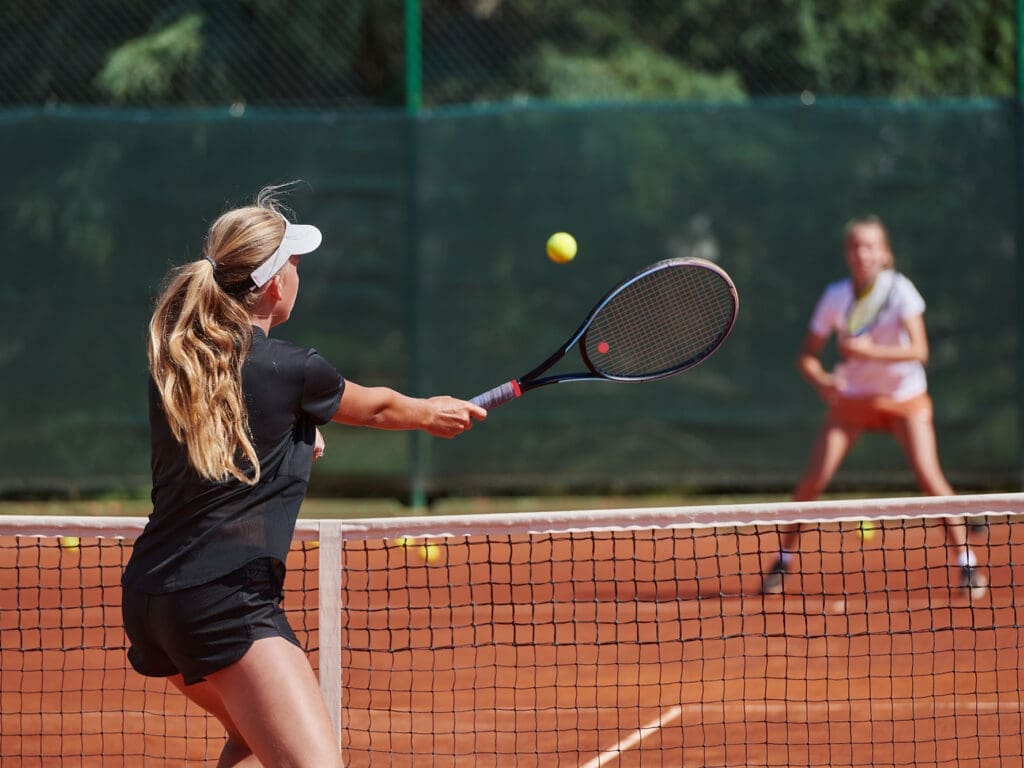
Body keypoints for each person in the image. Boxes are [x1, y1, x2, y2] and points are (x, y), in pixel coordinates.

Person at [121, 185, 487, 767]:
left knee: (249, 736)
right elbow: (380, 408)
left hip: (152, 601)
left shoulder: (181, 364)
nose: (298, 271)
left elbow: (228, 443)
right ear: (272, 284)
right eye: (293, 261)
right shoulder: (293, 369)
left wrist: (296, 434)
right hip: (226, 603)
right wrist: (432, 412)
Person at [760, 215, 986, 598]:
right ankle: (783, 559)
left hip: (904, 398)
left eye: (869, 246)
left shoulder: (901, 292)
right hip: (853, 400)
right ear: (847, 254)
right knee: (811, 483)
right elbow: (807, 356)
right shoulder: (835, 296)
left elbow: (920, 351)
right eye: (854, 246)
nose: (861, 253)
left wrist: (870, 351)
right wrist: (822, 381)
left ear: (884, 253)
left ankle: (967, 563)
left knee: (930, 478)